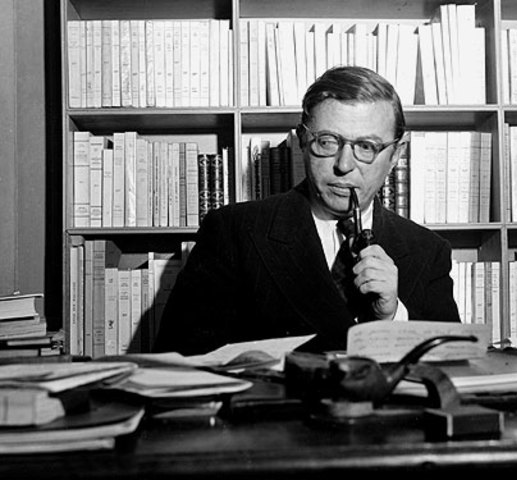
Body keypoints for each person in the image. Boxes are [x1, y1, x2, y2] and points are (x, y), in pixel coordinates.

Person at [153, 65, 460, 355]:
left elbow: (454, 370)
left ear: (395, 155)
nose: (343, 165)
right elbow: (178, 364)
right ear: (302, 140)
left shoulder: (427, 251)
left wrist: (392, 318)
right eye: (327, 142)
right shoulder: (233, 232)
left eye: (366, 146)